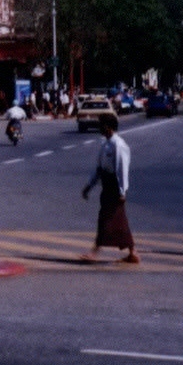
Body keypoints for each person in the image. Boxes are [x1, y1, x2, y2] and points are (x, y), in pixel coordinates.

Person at [80, 113, 139, 264]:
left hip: (114, 187)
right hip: (107, 185)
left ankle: (95, 252)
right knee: (119, 220)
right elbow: (99, 169)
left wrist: (122, 191)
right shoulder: (105, 144)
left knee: (106, 219)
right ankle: (133, 252)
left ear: (108, 127)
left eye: (101, 125)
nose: (99, 127)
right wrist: (89, 186)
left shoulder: (118, 145)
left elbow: (122, 169)